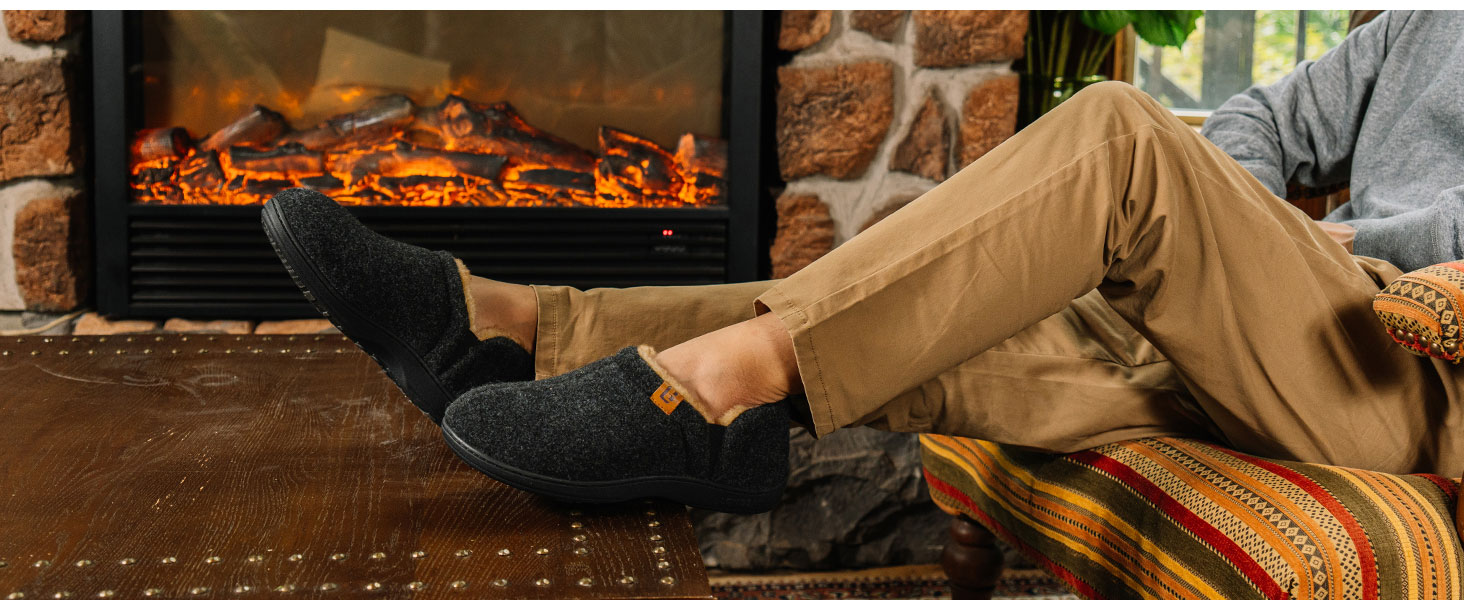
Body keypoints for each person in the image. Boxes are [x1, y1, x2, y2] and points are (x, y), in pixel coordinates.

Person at [261, 10, 1463, 515]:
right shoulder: (1429, 24)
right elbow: (1260, 123)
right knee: (983, 314)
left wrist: (1359, 244)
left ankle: (717, 389)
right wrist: (1274, 233)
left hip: (1424, 365)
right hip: (1304, 310)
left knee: (1121, 133)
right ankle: (514, 330)